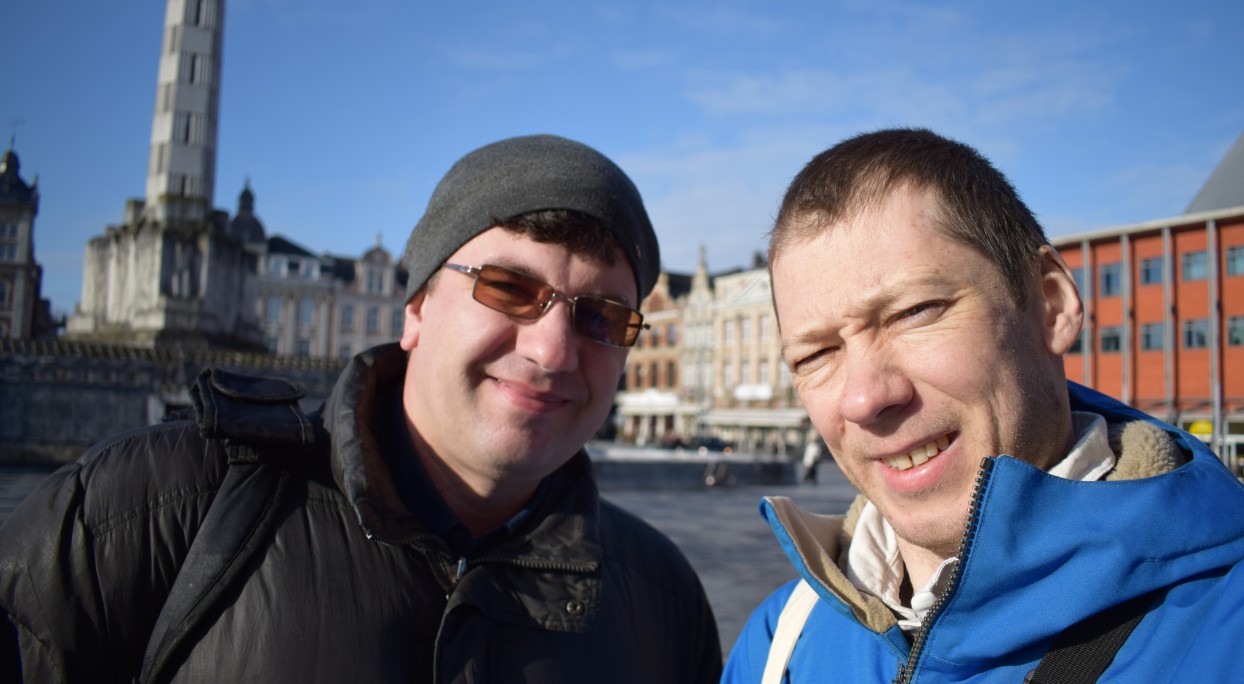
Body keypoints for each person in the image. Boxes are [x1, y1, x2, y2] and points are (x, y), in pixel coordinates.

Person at [0, 134, 723, 683]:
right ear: (415, 310)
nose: (553, 350)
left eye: (602, 316)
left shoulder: (664, 602)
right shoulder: (149, 514)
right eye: (508, 288)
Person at [722, 128, 1244, 682]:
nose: (863, 398)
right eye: (815, 354)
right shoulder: (780, 646)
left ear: (1052, 305)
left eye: (914, 312)